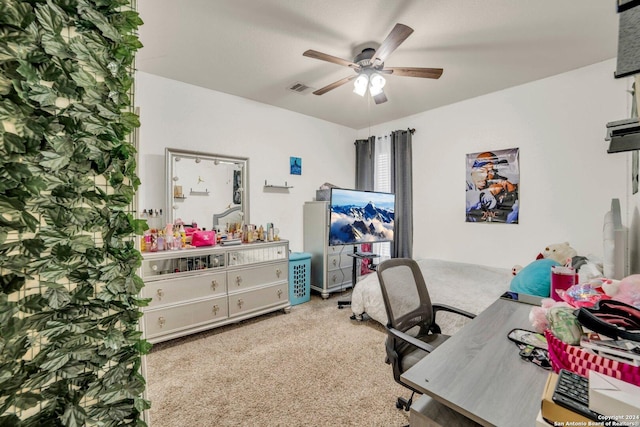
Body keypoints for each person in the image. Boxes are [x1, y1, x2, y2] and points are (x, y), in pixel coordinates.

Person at [466, 151, 519, 223]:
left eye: (490, 172)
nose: (485, 176)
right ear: (472, 170)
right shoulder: (463, 183)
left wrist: (512, 194)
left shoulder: (495, 181)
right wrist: (491, 192)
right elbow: (465, 203)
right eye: (481, 171)